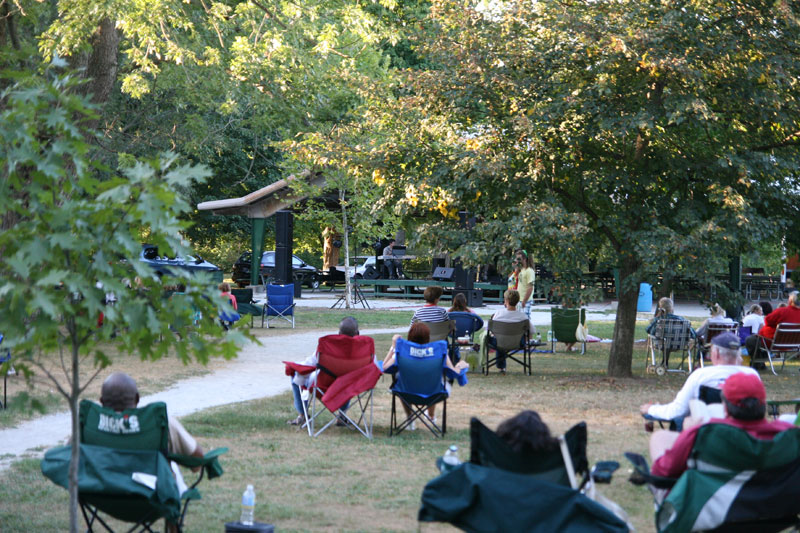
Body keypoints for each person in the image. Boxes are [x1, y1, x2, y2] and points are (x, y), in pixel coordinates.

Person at [649, 372, 795, 478]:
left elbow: (665, 469)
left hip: (716, 511)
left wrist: (689, 431)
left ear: (725, 407)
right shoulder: (788, 435)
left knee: (659, 438)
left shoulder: (705, 433)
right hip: (776, 511)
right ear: (763, 403)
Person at [639, 332, 758, 427]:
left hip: (706, 436)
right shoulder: (752, 376)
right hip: (743, 435)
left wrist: (652, 409)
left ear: (715, 354)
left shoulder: (701, 376)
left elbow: (677, 411)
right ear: (738, 356)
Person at [285, 316, 370, 426]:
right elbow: (371, 367)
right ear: (358, 333)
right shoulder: (364, 348)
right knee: (347, 378)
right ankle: (341, 416)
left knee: (297, 374)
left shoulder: (328, 345)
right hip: (350, 386)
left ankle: (302, 415)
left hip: (323, 385)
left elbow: (310, 363)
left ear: (339, 333)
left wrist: (297, 366)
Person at [383, 322, 468, 428]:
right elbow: (453, 372)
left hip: (405, 393)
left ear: (409, 336)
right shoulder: (438, 351)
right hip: (433, 394)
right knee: (436, 379)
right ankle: (431, 415)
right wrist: (460, 366)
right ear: (428, 337)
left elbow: (384, 367)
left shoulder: (403, 352)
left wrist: (393, 347)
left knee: (400, 380)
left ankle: (410, 418)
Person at [487, 289, 536, 374]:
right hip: (517, 343)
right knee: (504, 339)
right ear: (517, 301)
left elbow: (490, 330)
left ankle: (501, 367)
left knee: (498, 339)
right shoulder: (523, 316)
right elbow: (532, 331)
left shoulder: (498, 314)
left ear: (506, 301)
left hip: (500, 343)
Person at [744, 291, 800, 361]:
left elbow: (767, 321)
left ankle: (758, 363)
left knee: (750, 340)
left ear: (790, 300)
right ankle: (761, 362)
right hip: (793, 344)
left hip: (772, 342)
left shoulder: (782, 311)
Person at [646, 297, 696, 367]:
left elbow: (649, 330)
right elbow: (693, 334)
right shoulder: (682, 320)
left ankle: (663, 363)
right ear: (672, 308)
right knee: (668, 340)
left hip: (661, 344)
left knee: (665, 340)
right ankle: (664, 363)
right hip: (679, 345)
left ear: (660, 308)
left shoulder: (659, 320)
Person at [515, 251, 536, 318]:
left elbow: (530, 288)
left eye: (519, 259)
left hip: (526, 300)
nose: (517, 260)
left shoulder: (529, 271)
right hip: (519, 299)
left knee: (525, 321)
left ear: (524, 259)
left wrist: (524, 301)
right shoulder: (522, 270)